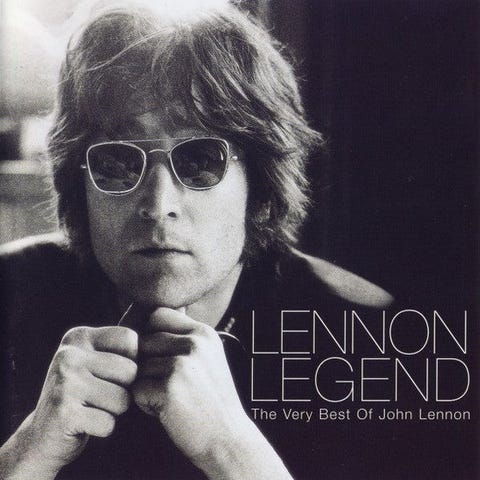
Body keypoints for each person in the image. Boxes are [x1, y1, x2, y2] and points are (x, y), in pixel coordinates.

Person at [0, 1, 393, 479]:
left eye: (200, 160)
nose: (158, 204)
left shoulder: (368, 339)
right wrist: (25, 456)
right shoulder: (10, 296)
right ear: (79, 186)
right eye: (118, 162)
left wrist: (231, 450)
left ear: (260, 187)